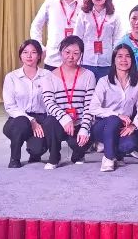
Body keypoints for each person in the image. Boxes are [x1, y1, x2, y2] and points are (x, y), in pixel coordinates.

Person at [83, 45, 138, 172]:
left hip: (123, 126)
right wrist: (117, 115)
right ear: (114, 60)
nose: (124, 60)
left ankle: (112, 149)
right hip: (102, 125)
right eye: (119, 56)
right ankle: (108, 157)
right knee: (113, 119)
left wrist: (134, 125)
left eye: (127, 56)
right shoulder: (104, 81)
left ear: (132, 60)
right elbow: (93, 108)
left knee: (130, 144)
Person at [40, 35, 97, 169]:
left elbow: (89, 105)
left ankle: (78, 154)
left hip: (79, 122)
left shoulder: (89, 75)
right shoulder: (49, 76)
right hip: (59, 121)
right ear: (61, 52)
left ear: (81, 54)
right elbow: (49, 102)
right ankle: (54, 157)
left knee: (85, 139)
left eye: (76, 53)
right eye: (67, 52)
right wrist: (65, 118)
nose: (71, 57)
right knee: (49, 122)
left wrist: (84, 128)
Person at [1, 39, 50, 168]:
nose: (29, 56)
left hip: (41, 117)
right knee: (21, 123)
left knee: (38, 149)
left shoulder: (48, 75)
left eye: (33, 52)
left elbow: (51, 102)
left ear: (39, 56)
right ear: (20, 55)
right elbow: (10, 106)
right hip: (18, 118)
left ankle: (35, 152)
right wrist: (31, 120)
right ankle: (14, 158)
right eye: (25, 52)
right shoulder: (11, 77)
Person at [30, 0, 82, 69]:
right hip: (53, 59)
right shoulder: (49, 3)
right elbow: (36, 26)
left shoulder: (84, 6)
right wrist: (39, 45)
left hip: (77, 60)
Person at [75, 0, 119, 79]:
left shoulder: (114, 15)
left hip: (106, 62)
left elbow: (117, 39)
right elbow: (77, 38)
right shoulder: (83, 14)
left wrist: (115, 60)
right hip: (87, 61)